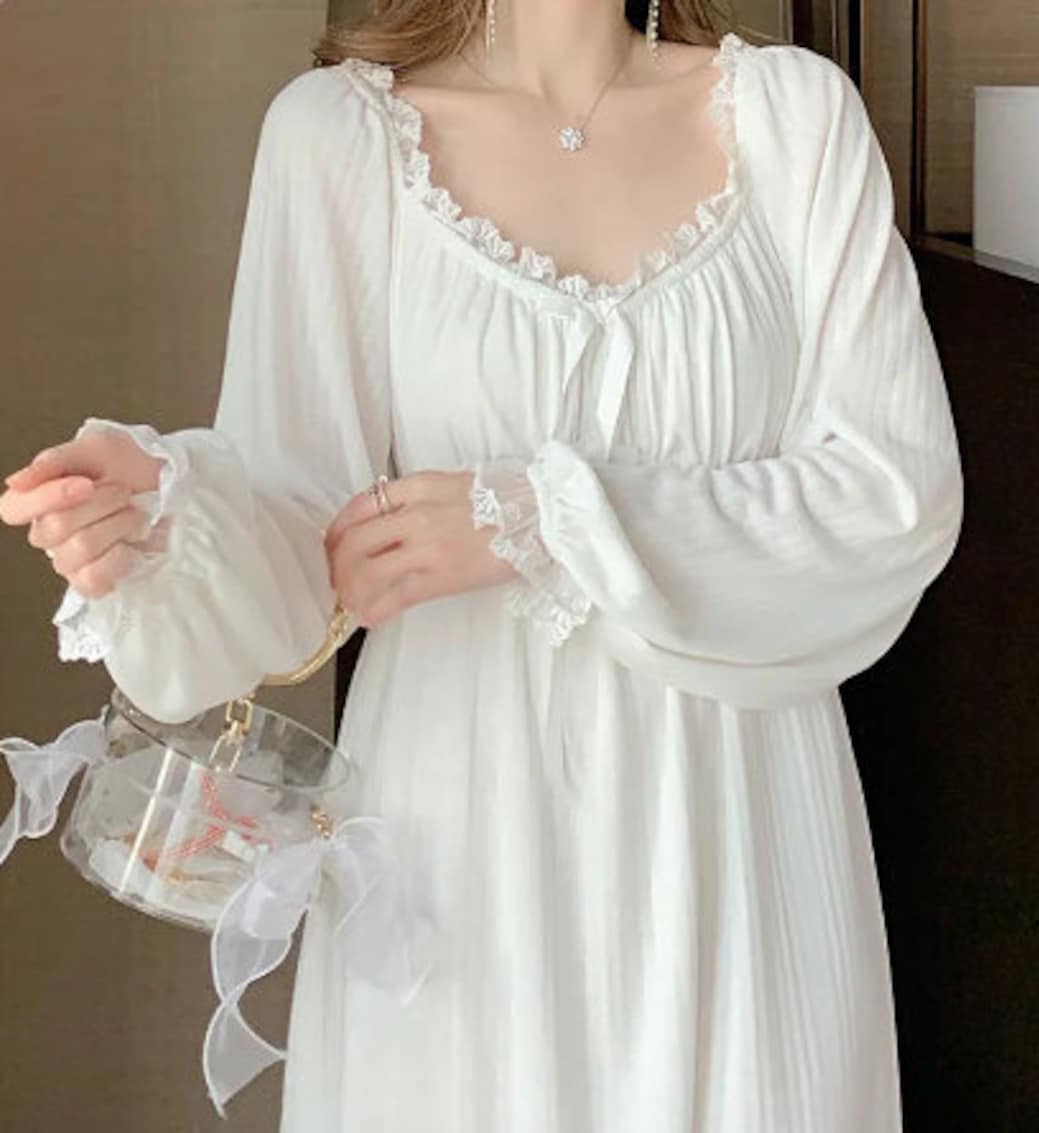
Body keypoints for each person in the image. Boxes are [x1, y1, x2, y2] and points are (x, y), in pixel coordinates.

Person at [0, 1, 964, 1129]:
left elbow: (894, 497)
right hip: (463, 829)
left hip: (739, 819)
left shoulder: (799, 120)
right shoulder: (338, 136)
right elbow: (307, 542)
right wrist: (167, 519)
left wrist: (543, 517)